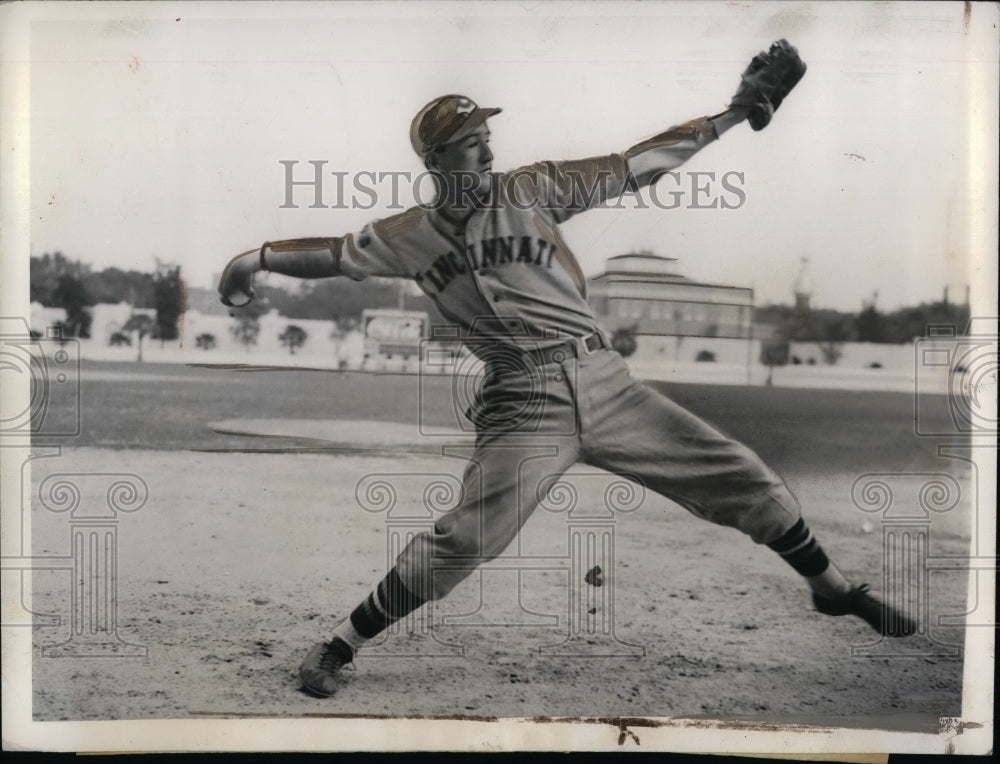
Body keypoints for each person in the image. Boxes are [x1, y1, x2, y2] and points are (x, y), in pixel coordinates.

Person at [219, 55, 915, 698]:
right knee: (465, 541)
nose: (487, 150)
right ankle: (340, 646)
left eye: (485, 137)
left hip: (603, 379)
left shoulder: (534, 187)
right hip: (523, 402)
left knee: (743, 475)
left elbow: (637, 165)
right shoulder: (406, 236)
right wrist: (258, 257)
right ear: (436, 160)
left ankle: (833, 588)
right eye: (469, 142)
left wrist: (731, 114)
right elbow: (336, 254)